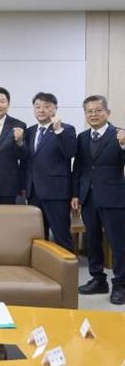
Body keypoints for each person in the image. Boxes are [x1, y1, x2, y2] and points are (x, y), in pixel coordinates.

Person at [72, 95, 125, 305]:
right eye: (89, 111)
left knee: (117, 243)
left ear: (107, 112)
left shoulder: (119, 134)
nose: (93, 114)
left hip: (114, 197)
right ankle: (98, 279)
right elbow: (79, 167)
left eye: (98, 110)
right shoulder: (82, 137)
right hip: (88, 197)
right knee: (92, 241)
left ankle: (120, 284)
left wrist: (124, 146)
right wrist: (75, 194)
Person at [24, 92, 76, 251]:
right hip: (33, 192)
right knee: (38, 237)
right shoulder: (30, 131)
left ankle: (66, 267)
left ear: (55, 109)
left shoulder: (66, 129)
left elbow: (70, 152)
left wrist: (58, 131)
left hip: (56, 193)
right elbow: (27, 161)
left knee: (61, 236)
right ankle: (42, 266)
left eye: (46, 106)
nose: (41, 110)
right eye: (37, 106)